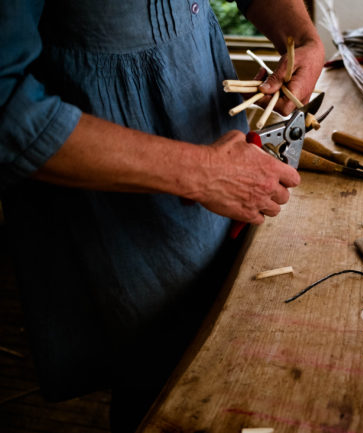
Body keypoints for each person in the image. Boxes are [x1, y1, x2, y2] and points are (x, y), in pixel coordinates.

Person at [0, 0, 324, 431]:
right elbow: (8, 114)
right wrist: (204, 173)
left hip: (211, 125)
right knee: (159, 381)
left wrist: (303, 36)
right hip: (108, 172)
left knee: (223, 339)